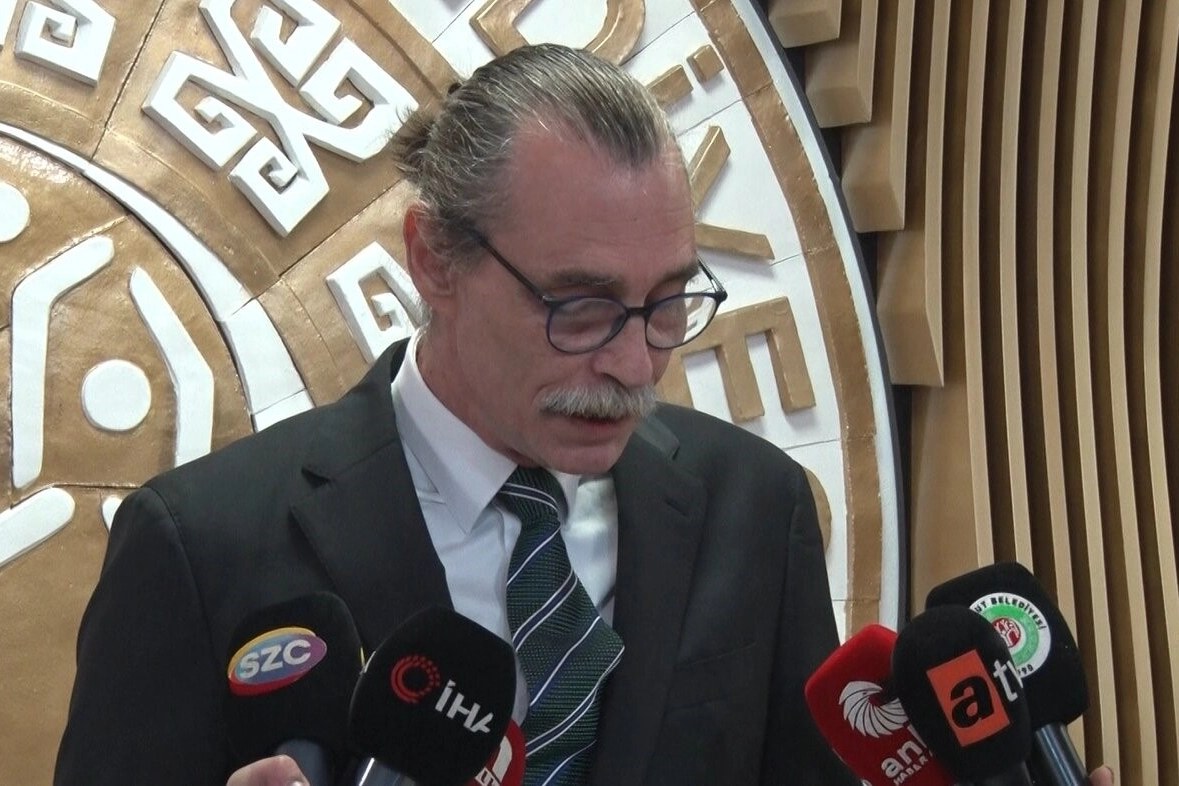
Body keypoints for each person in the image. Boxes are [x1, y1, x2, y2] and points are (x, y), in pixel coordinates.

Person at [54, 44, 1113, 786]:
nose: (632, 362)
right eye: (581, 306)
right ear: (435, 258)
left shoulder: (754, 506)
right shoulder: (201, 545)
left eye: (668, 303)